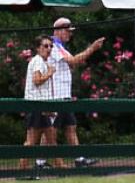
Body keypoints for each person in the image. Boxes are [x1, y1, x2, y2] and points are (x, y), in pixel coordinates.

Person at [48, 17, 104, 166]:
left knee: (70, 127)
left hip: (64, 95)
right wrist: (92, 48)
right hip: (56, 97)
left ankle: (79, 159)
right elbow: (73, 61)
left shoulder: (60, 46)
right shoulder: (53, 46)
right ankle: (41, 160)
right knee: (50, 130)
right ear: (58, 31)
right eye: (67, 31)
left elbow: (70, 64)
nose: (70, 34)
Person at [21, 35, 57, 173]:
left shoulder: (42, 61)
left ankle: (59, 165)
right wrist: (49, 73)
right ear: (38, 48)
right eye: (45, 46)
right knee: (31, 141)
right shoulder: (37, 61)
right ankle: (22, 167)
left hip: (42, 106)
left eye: (50, 46)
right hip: (35, 106)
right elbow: (36, 81)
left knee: (51, 139)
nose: (49, 49)